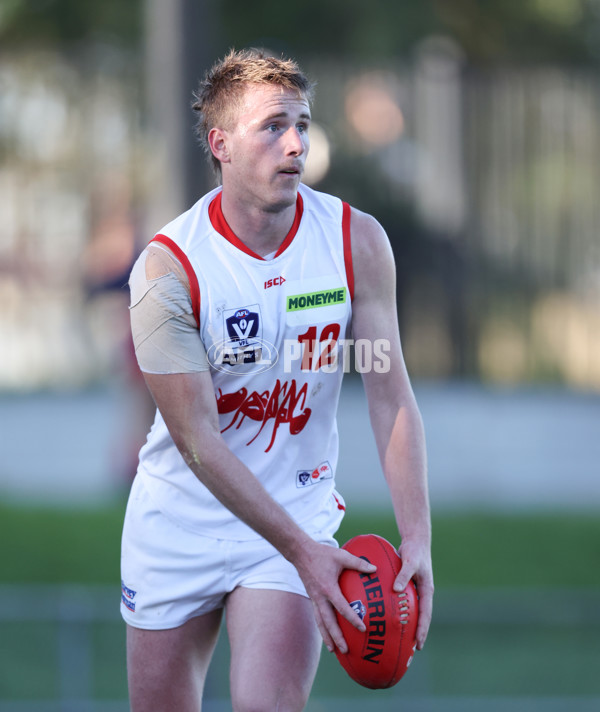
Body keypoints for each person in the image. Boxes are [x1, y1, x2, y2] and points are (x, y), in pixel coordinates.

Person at [121, 48, 433, 711]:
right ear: (221, 143)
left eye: (303, 123)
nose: (295, 143)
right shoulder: (166, 272)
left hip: (295, 519)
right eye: (271, 126)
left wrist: (416, 541)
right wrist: (304, 549)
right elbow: (199, 441)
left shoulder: (355, 242)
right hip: (179, 522)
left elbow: (388, 394)